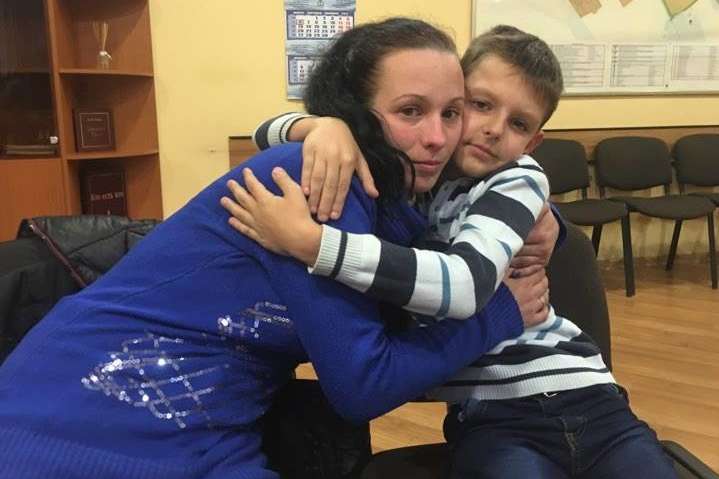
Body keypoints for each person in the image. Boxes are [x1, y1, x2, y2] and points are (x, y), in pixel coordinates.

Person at [0, 19, 550, 479]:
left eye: (451, 113)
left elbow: (491, 199)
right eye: (410, 111)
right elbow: (364, 385)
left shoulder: (400, 196)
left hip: (212, 425)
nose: (438, 137)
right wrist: (501, 311)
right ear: (355, 112)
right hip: (80, 411)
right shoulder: (314, 182)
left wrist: (547, 224)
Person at [224, 25, 678, 479]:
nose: (493, 129)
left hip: (585, 395)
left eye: (519, 124)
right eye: (480, 105)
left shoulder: (517, 177)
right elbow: (265, 133)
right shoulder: (418, 183)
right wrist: (325, 127)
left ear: (531, 143)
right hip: (491, 417)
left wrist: (314, 245)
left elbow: (464, 285)